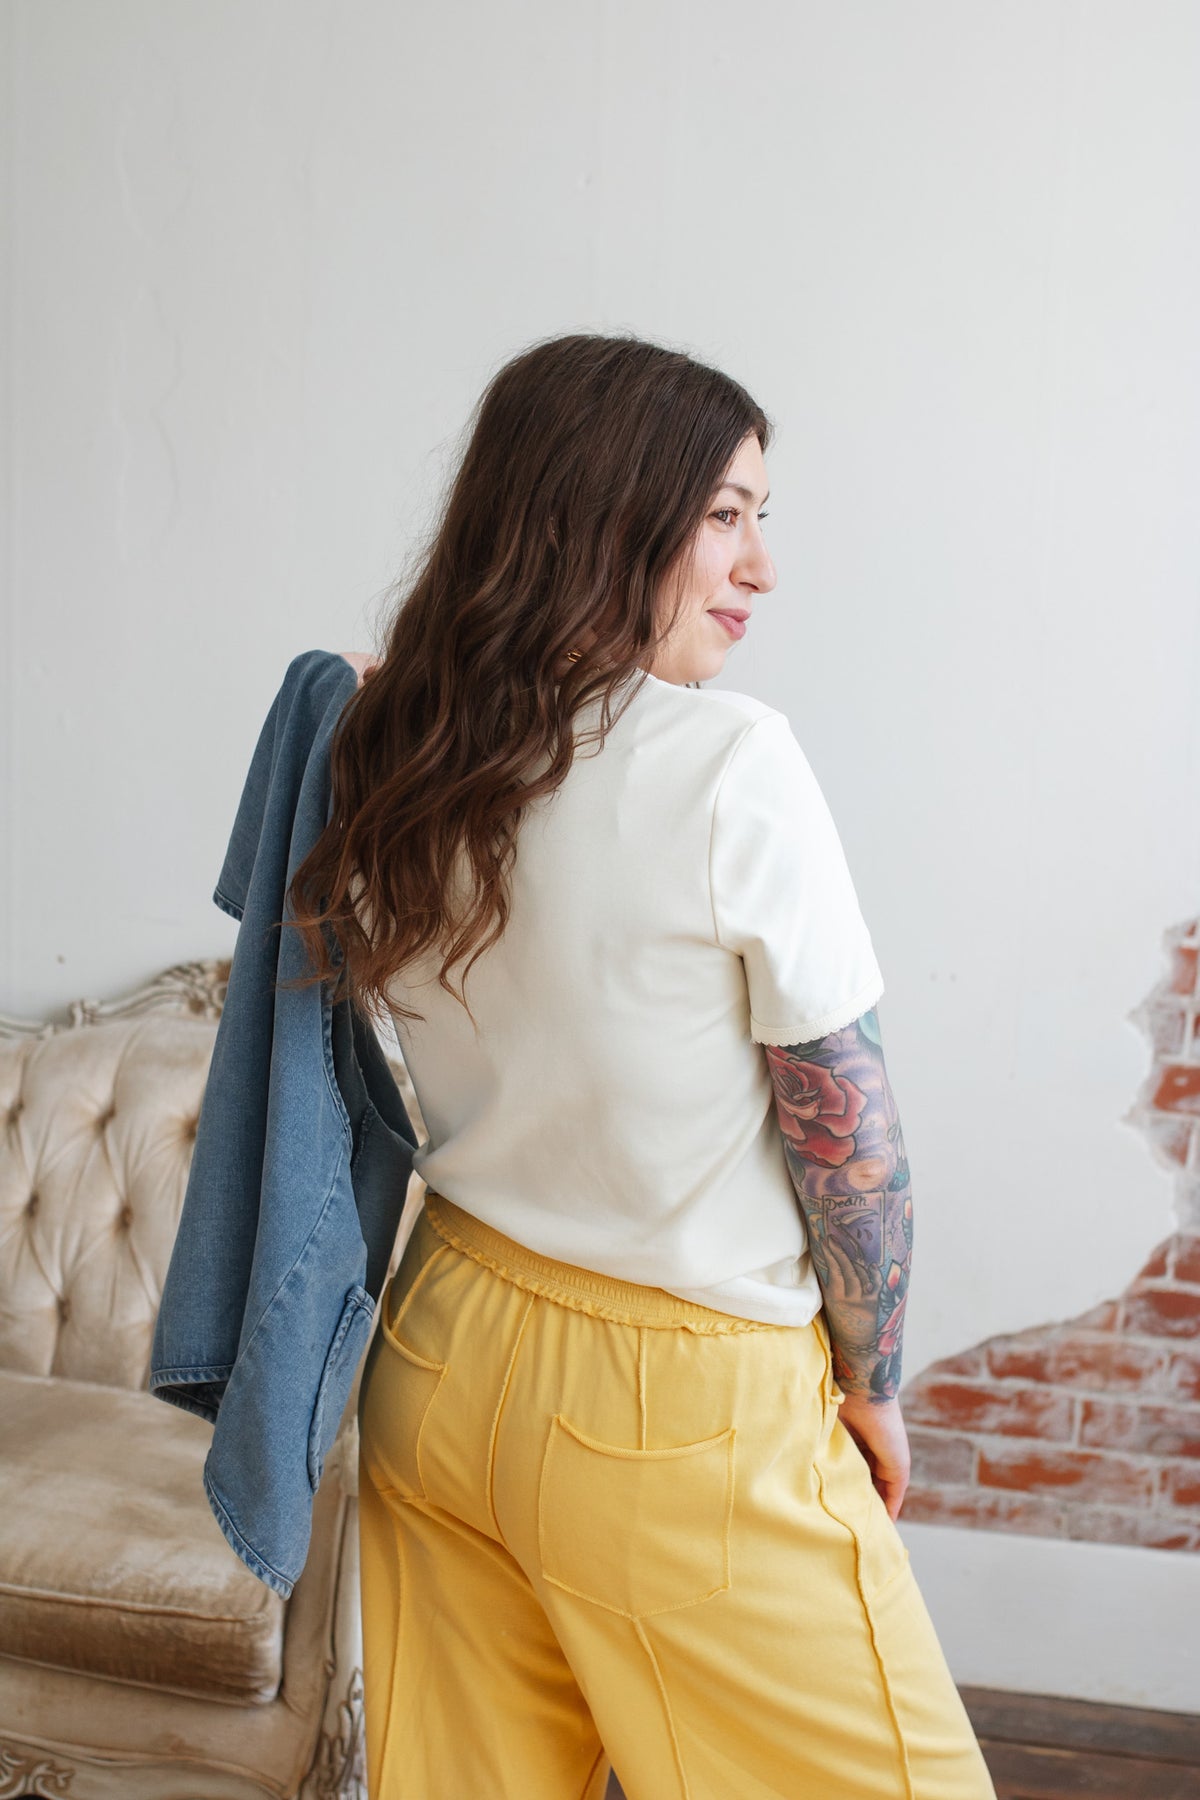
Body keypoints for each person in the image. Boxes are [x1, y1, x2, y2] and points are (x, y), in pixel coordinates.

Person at [288, 334, 996, 1799]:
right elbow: (850, 1136)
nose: (761, 568)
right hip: (678, 1409)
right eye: (725, 515)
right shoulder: (731, 762)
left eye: (761, 519)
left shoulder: (392, 742)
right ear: (608, 515)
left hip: (440, 1347)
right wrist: (874, 1380)